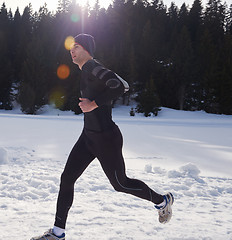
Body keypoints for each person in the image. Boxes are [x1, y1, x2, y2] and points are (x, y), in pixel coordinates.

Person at [31, 34, 174, 240]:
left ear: (87, 49)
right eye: (71, 47)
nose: (72, 50)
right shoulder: (88, 69)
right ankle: (57, 233)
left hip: (106, 138)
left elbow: (120, 86)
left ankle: (162, 201)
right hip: (88, 137)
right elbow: (120, 82)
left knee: (121, 184)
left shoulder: (91, 66)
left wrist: (93, 104)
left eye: (77, 46)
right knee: (67, 178)